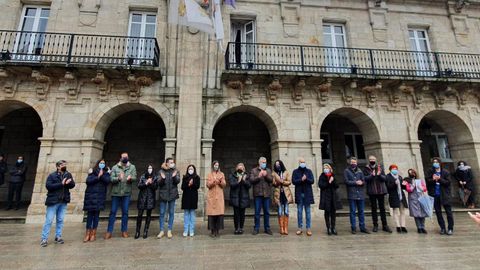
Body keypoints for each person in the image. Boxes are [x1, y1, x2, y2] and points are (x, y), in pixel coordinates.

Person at [40, 160, 75, 247]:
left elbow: (73, 185)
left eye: (65, 165)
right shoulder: (52, 175)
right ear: (58, 166)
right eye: (63, 165)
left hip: (63, 201)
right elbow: (48, 186)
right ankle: (44, 238)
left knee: (60, 220)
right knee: (49, 220)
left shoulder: (68, 174)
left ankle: (58, 236)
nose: (64, 166)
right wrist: (61, 184)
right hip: (53, 201)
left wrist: (69, 183)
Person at [105, 152, 137, 239]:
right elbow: (111, 179)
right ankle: (109, 231)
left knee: (125, 212)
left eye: (126, 157)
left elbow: (135, 177)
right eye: (123, 157)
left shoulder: (132, 167)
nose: (125, 158)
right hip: (116, 193)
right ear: (120, 158)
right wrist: (118, 178)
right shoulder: (115, 167)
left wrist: (131, 179)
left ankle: (124, 231)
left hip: (126, 193)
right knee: (113, 212)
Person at [83, 159, 110, 242]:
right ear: (97, 164)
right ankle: (88, 233)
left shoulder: (106, 173)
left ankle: (93, 233)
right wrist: (98, 176)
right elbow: (88, 181)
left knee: (96, 217)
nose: (102, 164)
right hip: (91, 197)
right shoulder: (92, 172)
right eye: (100, 163)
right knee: (89, 216)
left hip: (99, 197)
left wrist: (102, 175)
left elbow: (107, 181)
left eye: (103, 163)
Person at [363, 155, 391, 233]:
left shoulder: (380, 167)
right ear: (369, 160)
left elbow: (385, 178)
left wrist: (379, 175)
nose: (372, 160)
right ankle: (375, 225)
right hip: (372, 191)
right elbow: (365, 179)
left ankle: (385, 225)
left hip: (381, 191)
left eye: (373, 159)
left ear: (376, 160)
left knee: (382, 208)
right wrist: (372, 175)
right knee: (374, 209)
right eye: (371, 159)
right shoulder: (366, 169)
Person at [426, 157, 454, 235]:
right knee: (438, 212)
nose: (435, 163)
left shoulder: (445, 172)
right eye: (434, 162)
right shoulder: (430, 172)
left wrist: (440, 179)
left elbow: (448, 183)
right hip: (435, 195)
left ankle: (450, 228)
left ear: (440, 163)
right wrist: (433, 179)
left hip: (445, 195)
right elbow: (428, 181)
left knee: (449, 213)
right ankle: (442, 228)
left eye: (437, 162)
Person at [344, 157, 369, 234]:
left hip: (360, 194)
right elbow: (346, 181)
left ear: (357, 163)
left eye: (354, 162)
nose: (353, 163)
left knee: (361, 211)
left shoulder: (360, 171)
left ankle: (362, 227)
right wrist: (355, 182)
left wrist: (362, 182)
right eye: (352, 162)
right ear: (349, 162)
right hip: (352, 194)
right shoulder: (346, 171)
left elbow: (364, 181)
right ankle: (353, 227)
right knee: (352, 212)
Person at [157, 158, 180, 239]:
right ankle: (161, 230)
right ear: (166, 163)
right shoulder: (161, 171)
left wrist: (174, 177)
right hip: (163, 194)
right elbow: (158, 183)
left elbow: (177, 181)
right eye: (170, 162)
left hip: (172, 194)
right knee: (162, 213)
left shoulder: (176, 171)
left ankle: (169, 230)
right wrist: (162, 179)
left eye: (173, 162)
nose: (172, 164)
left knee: (171, 212)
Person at [250, 156, 273, 235]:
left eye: (265, 162)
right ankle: (256, 228)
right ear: (259, 163)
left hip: (266, 194)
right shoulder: (254, 170)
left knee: (266, 212)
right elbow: (251, 180)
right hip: (258, 194)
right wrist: (258, 177)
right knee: (257, 212)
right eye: (263, 162)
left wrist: (266, 175)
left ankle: (267, 228)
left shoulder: (268, 170)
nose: (264, 164)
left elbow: (271, 180)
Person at [292, 158, 315, 236]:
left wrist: (306, 179)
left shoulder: (309, 171)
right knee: (299, 211)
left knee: (308, 212)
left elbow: (312, 181)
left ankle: (308, 228)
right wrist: (301, 180)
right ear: (299, 163)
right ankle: (299, 228)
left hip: (307, 194)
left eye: (304, 162)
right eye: (301, 162)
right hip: (299, 194)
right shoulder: (295, 171)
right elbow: (293, 181)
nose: (303, 163)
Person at [318, 163, 342, 235]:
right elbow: (321, 185)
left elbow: (337, 185)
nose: (325, 169)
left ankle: (333, 227)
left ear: (330, 168)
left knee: (333, 213)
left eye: (327, 168)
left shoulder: (333, 176)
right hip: (325, 197)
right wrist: (329, 182)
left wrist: (333, 181)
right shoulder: (322, 176)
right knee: (327, 213)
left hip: (333, 197)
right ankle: (328, 228)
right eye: (324, 168)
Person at [135, 164, 158, 239]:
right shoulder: (142, 176)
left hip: (150, 198)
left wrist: (151, 183)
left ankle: (146, 231)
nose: (149, 169)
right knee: (139, 215)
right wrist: (146, 183)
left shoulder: (155, 177)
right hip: (142, 197)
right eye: (148, 168)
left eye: (151, 168)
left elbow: (155, 187)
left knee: (148, 215)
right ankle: (137, 231)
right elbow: (139, 186)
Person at [229, 163, 251, 235]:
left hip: (243, 197)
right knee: (236, 214)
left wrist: (244, 181)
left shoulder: (246, 175)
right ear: (236, 168)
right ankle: (236, 228)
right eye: (239, 167)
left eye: (242, 168)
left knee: (242, 214)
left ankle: (241, 228)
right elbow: (231, 185)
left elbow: (249, 185)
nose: (240, 169)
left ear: (244, 169)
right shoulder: (232, 175)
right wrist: (238, 181)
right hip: (235, 197)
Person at [272, 160, 293, 235]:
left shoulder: (286, 172)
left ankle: (286, 228)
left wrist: (283, 182)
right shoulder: (274, 173)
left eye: (278, 164)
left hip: (286, 194)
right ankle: (281, 228)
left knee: (286, 211)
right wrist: (277, 182)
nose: (277, 166)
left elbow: (289, 182)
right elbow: (273, 183)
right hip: (278, 194)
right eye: (276, 164)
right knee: (280, 211)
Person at [385, 164, 408, 233]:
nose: (395, 170)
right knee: (395, 211)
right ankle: (398, 226)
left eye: (396, 169)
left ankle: (403, 226)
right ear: (390, 169)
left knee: (402, 211)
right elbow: (388, 187)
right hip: (393, 195)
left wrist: (404, 185)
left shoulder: (400, 177)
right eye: (393, 169)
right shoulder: (388, 177)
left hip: (401, 196)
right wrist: (394, 183)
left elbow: (403, 187)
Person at [404, 169, 428, 234]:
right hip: (413, 198)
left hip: (421, 197)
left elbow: (425, 189)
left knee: (422, 213)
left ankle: (423, 227)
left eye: (412, 172)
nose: (411, 174)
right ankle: (419, 227)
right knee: (416, 214)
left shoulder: (420, 180)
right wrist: (413, 185)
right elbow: (409, 190)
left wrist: (420, 186)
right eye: (409, 173)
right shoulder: (407, 181)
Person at [206, 160, 226, 237]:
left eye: (217, 165)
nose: (216, 166)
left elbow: (224, 184)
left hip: (219, 196)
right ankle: (212, 230)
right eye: (215, 165)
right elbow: (208, 184)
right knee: (212, 214)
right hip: (212, 196)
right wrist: (213, 182)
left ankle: (217, 230)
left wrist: (220, 181)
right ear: (213, 166)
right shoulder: (209, 174)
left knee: (218, 214)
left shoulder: (222, 174)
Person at [181, 164, 200, 237]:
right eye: (189, 169)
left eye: (192, 169)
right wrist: (188, 184)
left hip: (193, 197)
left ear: (194, 170)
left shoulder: (197, 177)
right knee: (186, 214)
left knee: (192, 214)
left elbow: (197, 186)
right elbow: (182, 187)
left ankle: (191, 230)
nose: (190, 170)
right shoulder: (185, 177)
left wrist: (193, 183)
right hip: (186, 197)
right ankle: (186, 230)